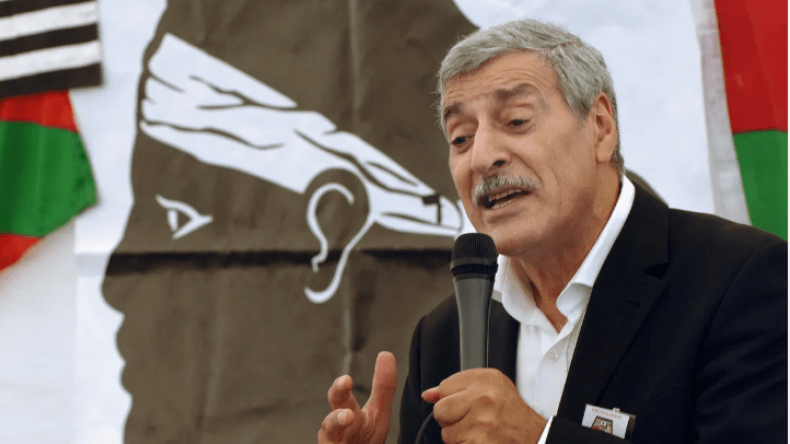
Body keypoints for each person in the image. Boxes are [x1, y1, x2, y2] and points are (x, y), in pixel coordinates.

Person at [317, 19, 787, 444]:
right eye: (461, 138)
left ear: (600, 127)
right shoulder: (444, 336)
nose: (483, 157)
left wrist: (538, 438)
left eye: (516, 121)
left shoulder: (741, 280)